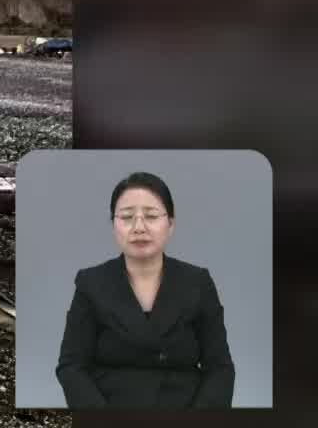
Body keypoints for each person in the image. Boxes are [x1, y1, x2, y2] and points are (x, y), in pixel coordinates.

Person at [55, 171, 235, 408]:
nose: (139, 227)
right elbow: (71, 366)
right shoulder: (91, 283)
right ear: (113, 224)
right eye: (127, 217)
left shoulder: (198, 282)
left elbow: (220, 368)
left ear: (170, 224)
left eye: (151, 216)